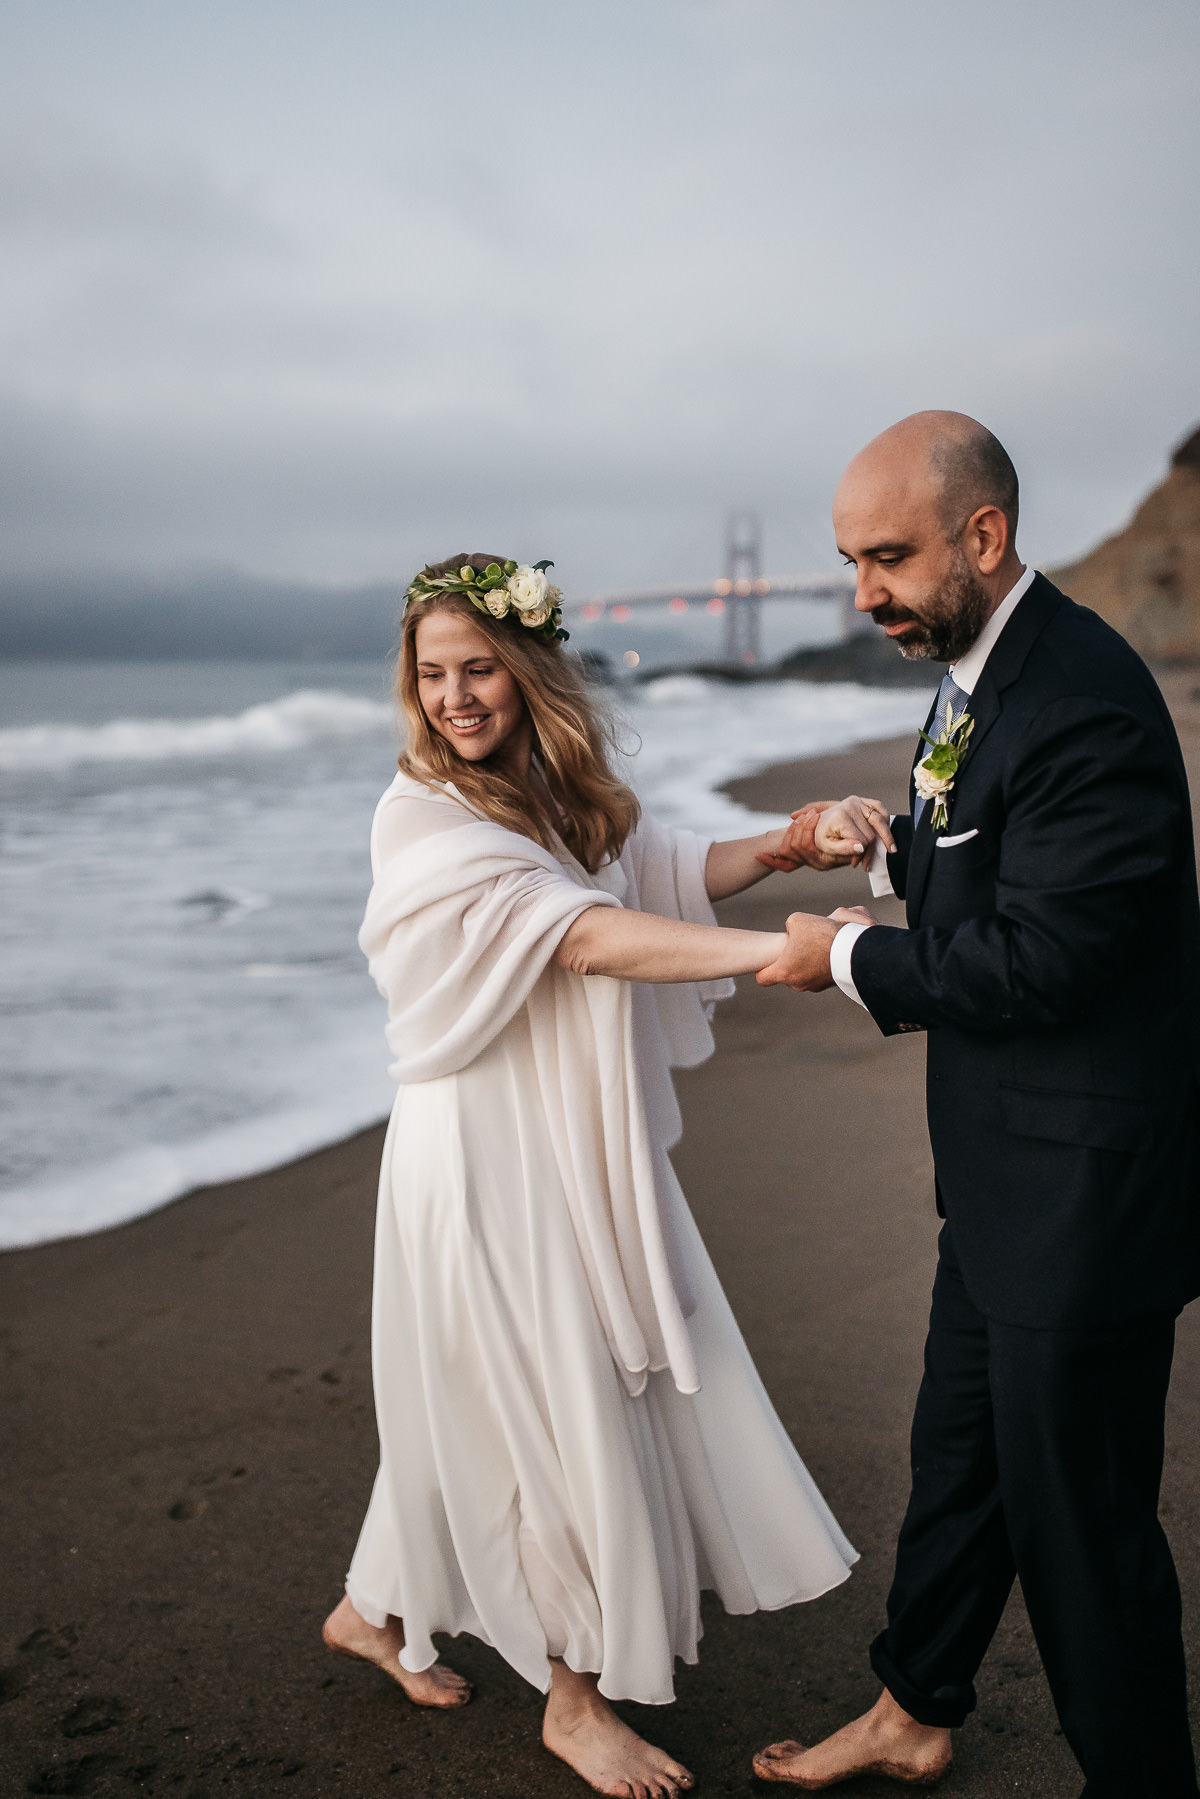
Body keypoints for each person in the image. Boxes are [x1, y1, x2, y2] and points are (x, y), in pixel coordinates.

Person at [322, 553, 867, 1799]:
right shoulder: (422, 811)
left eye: (478, 669)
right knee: (550, 1397)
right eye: (433, 674)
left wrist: (790, 844)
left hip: (563, 1134)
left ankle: (370, 1606)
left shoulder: (553, 789)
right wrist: (783, 960)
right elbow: (576, 936)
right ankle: (574, 1702)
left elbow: (651, 868)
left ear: (528, 668)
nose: (457, 697)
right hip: (480, 1155)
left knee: (493, 1390)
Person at [751, 412, 1200, 1796]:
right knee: (959, 1458)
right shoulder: (973, 675)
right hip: (1006, 1183)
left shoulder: (1077, 696)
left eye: (888, 557)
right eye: (850, 562)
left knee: (1081, 1520)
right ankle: (916, 1701)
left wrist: (850, 957)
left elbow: (1058, 960)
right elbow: (996, 876)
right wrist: (891, 880)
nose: (866, 590)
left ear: (983, 536)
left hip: (1088, 1194)